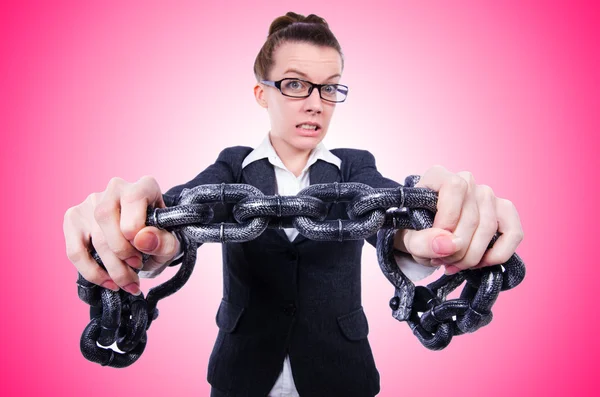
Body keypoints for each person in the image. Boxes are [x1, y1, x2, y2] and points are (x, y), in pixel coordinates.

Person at [63, 12, 524, 397]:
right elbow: (184, 209)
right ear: (262, 93)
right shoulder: (232, 168)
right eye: (296, 85)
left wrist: (426, 231)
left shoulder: (354, 167)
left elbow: (386, 215)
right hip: (242, 371)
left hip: (339, 370)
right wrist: (138, 230)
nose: (316, 104)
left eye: (330, 87)